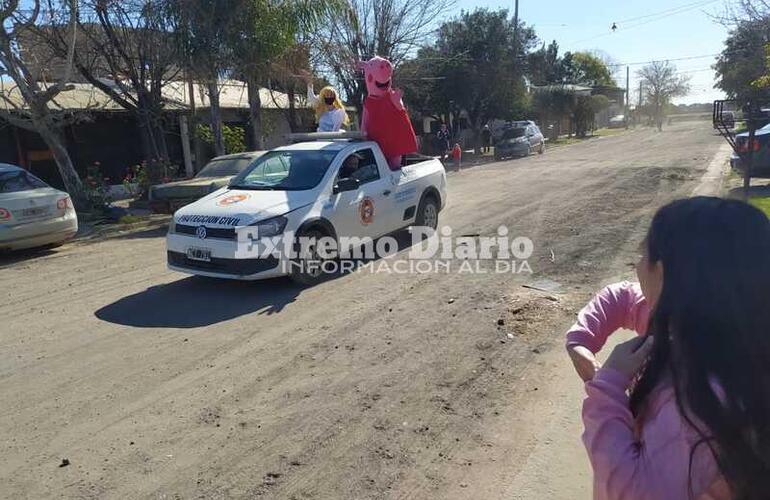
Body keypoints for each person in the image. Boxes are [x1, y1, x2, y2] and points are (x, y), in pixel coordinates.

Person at [566, 196, 770, 500]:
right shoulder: (724, 333)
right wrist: (580, 339)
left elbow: (626, 492)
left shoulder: (694, 409)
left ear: (662, 275)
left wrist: (607, 388)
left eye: (642, 255)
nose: (636, 268)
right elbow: (623, 297)